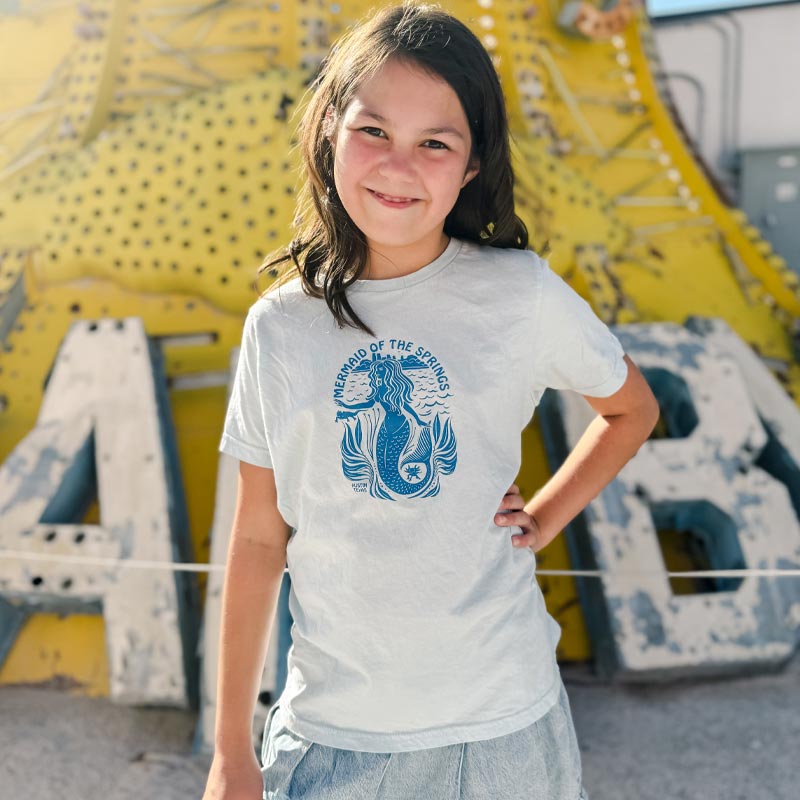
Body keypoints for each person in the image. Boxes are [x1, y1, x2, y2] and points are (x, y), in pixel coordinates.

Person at [203, 2, 659, 799]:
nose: (398, 166)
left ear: (472, 164)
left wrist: (544, 517)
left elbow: (632, 410)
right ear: (329, 131)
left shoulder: (519, 294)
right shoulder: (279, 328)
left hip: (507, 729)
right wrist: (230, 751)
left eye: (435, 144)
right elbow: (256, 544)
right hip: (334, 738)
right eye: (374, 131)